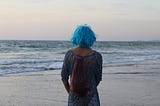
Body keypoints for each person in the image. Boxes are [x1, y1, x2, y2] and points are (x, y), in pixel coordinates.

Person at [61, 24, 102, 106]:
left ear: (76, 37)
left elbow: (64, 78)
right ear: (91, 38)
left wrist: (71, 92)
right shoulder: (97, 56)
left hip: (74, 96)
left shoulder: (69, 54)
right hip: (91, 96)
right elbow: (98, 78)